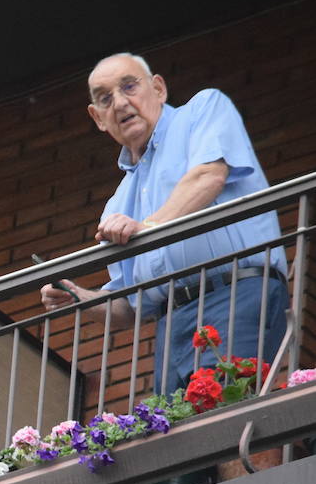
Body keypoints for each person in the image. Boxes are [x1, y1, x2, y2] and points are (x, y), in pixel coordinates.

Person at [40, 53, 289, 392]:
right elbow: (129, 307)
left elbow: (208, 175)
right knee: (181, 437)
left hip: (235, 293)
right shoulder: (118, 203)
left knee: (222, 418)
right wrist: (78, 297)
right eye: (105, 99)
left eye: (129, 86)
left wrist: (149, 227)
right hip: (171, 322)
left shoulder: (202, 109)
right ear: (98, 118)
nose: (120, 103)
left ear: (158, 88)